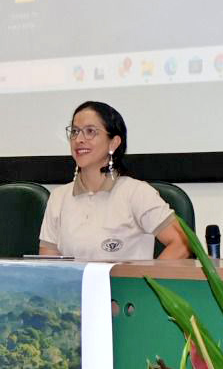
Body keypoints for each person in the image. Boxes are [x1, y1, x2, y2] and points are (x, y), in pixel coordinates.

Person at [38, 101, 190, 261]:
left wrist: (147, 277)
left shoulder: (136, 193)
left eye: (90, 131)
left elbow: (182, 243)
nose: (79, 139)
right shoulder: (59, 197)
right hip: (72, 279)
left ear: (113, 143)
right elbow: (48, 265)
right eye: (75, 131)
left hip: (125, 279)